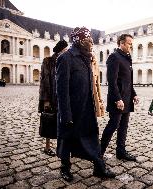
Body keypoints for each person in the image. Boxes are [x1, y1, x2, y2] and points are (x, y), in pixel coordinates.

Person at [56, 27, 115, 182]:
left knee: (92, 138)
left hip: (86, 108)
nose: (92, 43)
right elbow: (61, 91)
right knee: (67, 140)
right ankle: (65, 168)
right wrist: (66, 114)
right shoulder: (65, 58)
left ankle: (99, 167)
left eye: (91, 40)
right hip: (72, 110)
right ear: (79, 41)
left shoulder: (87, 57)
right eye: (88, 40)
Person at [100, 34, 139, 162]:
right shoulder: (114, 57)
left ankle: (121, 152)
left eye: (131, 43)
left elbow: (128, 80)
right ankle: (99, 152)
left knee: (123, 127)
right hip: (118, 100)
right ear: (121, 43)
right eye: (129, 43)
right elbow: (112, 81)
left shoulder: (127, 58)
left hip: (126, 99)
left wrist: (134, 94)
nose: (130, 45)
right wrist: (117, 99)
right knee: (113, 126)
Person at [38, 40, 68, 156]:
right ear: (61, 50)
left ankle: (61, 147)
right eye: (65, 50)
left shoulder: (65, 61)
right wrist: (46, 100)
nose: (67, 51)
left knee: (61, 122)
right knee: (48, 122)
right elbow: (44, 81)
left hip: (62, 97)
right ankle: (47, 147)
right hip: (51, 97)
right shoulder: (48, 61)